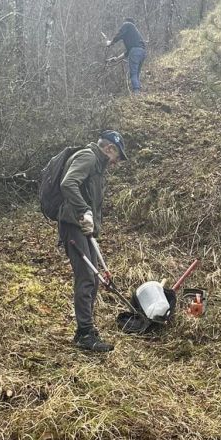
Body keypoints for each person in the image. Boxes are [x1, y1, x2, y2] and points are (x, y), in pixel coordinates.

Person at [58, 129, 128, 352]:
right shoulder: (88, 157)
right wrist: (84, 211)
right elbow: (68, 183)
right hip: (73, 225)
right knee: (87, 277)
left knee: (94, 278)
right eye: (117, 156)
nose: (116, 162)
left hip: (83, 227)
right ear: (109, 148)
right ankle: (84, 334)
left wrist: (92, 222)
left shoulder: (97, 166)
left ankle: (87, 329)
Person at [106, 18, 147, 93]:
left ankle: (136, 93)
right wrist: (116, 59)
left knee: (133, 73)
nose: (122, 25)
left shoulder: (128, 24)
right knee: (137, 73)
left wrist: (111, 43)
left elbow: (119, 34)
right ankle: (139, 91)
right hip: (142, 52)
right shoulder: (134, 37)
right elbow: (128, 53)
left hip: (135, 52)